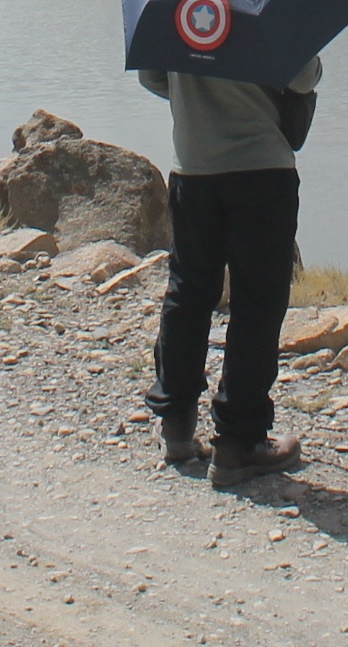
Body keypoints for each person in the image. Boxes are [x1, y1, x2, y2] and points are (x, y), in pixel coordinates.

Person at [138, 56, 319, 488]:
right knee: (258, 303)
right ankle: (239, 442)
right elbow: (300, 73)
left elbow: (152, 75)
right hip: (261, 166)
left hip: (193, 166)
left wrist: (197, 103)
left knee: (188, 293)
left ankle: (177, 426)